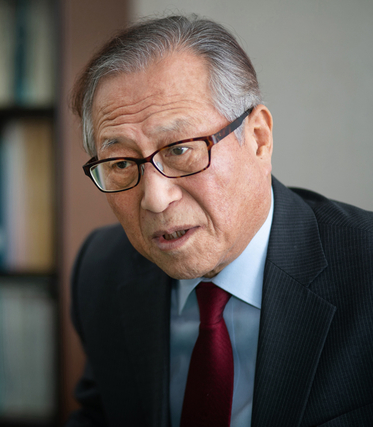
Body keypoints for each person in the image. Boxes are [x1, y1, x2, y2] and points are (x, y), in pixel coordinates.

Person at [67, 14, 373, 427]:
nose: (155, 199)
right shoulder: (101, 269)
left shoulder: (365, 269)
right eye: (121, 163)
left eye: (180, 149)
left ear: (259, 139)